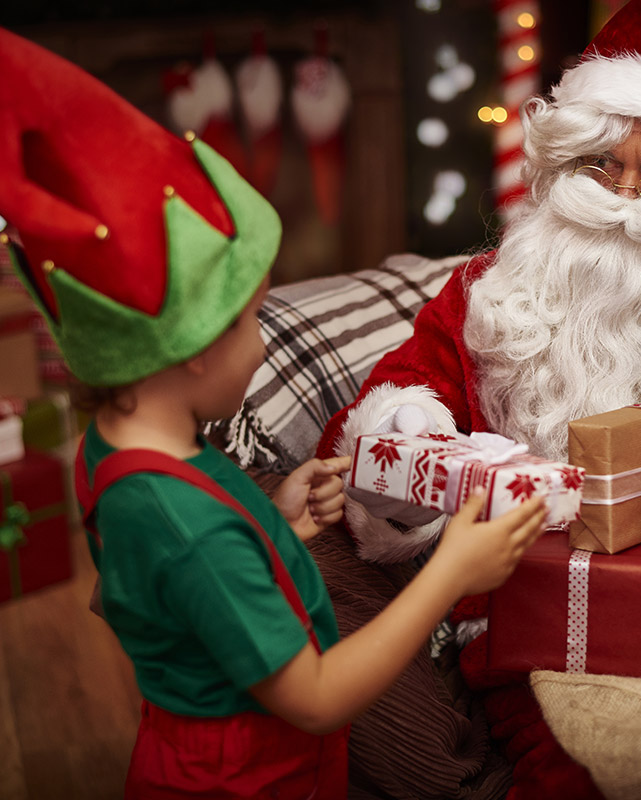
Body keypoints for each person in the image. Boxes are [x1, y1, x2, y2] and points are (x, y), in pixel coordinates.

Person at [0, 27, 548, 799]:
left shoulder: (117, 452)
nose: (264, 344)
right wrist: (452, 570)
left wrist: (277, 522)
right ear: (193, 347)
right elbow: (317, 697)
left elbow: (191, 593)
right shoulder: (190, 528)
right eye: (254, 320)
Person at [317, 0, 641, 795]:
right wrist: (418, 440)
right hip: (550, 646)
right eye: (601, 165)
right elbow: (388, 411)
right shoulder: (494, 296)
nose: (626, 199)